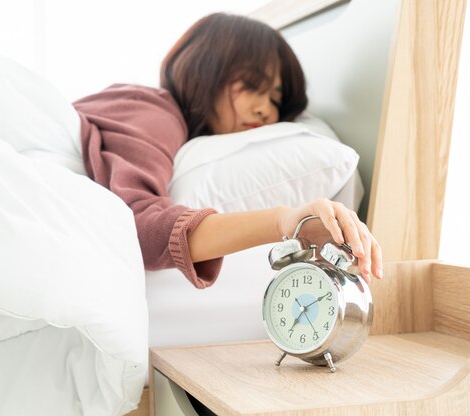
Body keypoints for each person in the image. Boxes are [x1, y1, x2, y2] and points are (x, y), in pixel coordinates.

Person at [73, 12, 382, 289]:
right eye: (251, 84)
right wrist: (283, 222)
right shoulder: (153, 111)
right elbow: (138, 230)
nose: (264, 110)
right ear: (205, 67)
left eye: (275, 100)